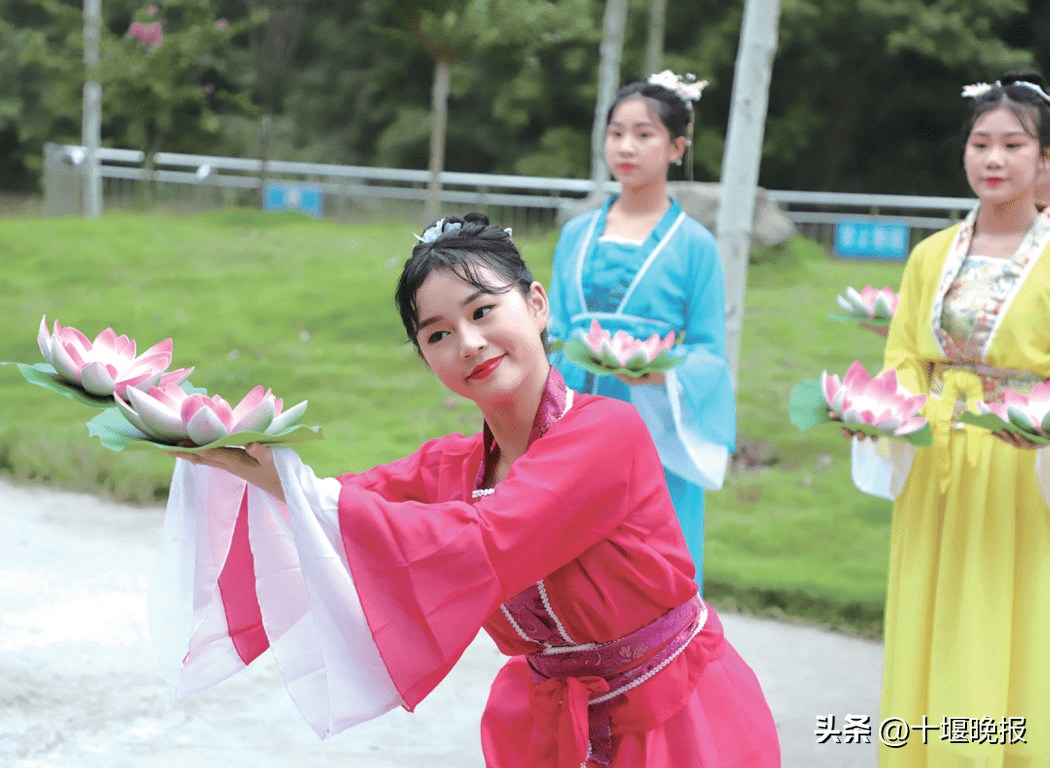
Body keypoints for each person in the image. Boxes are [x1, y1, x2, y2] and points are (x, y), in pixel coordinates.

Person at [156, 213, 781, 767]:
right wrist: (237, 457)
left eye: (483, 311)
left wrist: (297, 487)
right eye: (438, 334)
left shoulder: (607, 435)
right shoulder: (454, 467)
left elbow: (490, 538)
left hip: (675, 722)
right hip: (552, 726)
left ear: (537, 305)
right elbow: (338, 504)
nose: (470, 343)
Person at [850, 70, 1050, 766]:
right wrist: (882, 414)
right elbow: (904, 357)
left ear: (1043, 160)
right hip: (935, 459)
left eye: (1013, 145)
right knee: (927, 612)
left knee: (1004, 611)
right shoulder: (930, 256)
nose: (993, 160)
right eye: (980, 143)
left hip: (1019, 468)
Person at [546, 72, 735, 590]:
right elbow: (556, 332)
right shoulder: (576, 233)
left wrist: (659, 375)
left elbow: (709, 354)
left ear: (677, 147)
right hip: (576, 419)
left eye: (644, 134)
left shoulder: (695, 245)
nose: (626, 146)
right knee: (571, 571)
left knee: (647, 571)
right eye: (616, 132)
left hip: (657, 424)